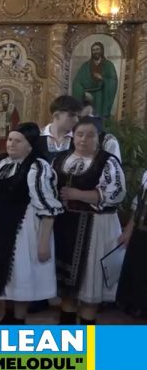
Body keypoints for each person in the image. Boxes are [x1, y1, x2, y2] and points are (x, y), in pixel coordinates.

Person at [0, 123, 64, 324]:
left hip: (24, 228)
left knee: (20, 275)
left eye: (18, 141)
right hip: (0, 226)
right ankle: (8, 316)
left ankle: (18, 319)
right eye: (10, 139)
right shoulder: (0, 161)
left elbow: (48, 208)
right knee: (6, 275)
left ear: (30, 145)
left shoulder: (37, 166)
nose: (11, 144)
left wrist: (43, 243)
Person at [53, 117, 126, 324]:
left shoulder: (107, 161)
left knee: (89, 286)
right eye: (79, 134)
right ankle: (66, 331)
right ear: (73, 136)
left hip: (95, 227)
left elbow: (115, 193)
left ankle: (87, 336)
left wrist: (78, 194)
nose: (83, 139)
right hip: (63, 226)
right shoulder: (60, 159)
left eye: (90, 135)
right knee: (66, 289)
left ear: (99, 138)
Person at [116, 169, 147, 318]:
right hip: (141, 230)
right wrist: (128, 229)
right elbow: (139, 203)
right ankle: (136, 304)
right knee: (137, 268)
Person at [71, 42, 118, 120]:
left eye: (97, 49)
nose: (95, 51)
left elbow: (113, 81)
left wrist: (102, 78)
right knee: (88, 117)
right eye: (93, 50)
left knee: (99, 118)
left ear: (102, 50)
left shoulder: (108, 65)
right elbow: (77, 82)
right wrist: (83, 92)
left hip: (102, 95)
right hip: (88, 96)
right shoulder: (85, 66)